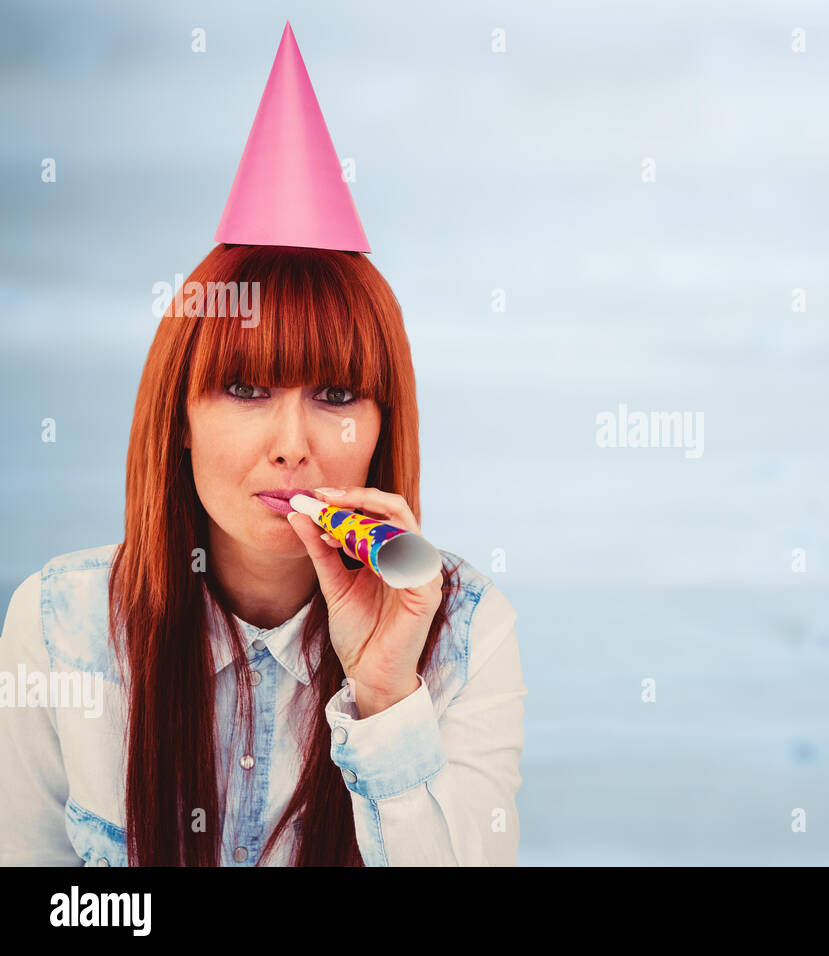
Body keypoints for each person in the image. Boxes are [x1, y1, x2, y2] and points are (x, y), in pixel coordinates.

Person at [0, 23, 526, 867]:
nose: (293, 444)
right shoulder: (61, 626)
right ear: (180, 416)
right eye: (246, 390)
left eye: (336, 395)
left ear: (384, 423)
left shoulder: (464, 627)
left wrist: (386, 693)